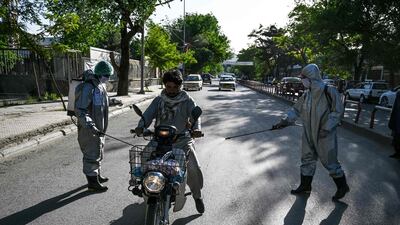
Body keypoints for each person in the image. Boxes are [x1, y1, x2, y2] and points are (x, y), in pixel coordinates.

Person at [272, 64, 350, 201]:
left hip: (324, 134)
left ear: (311, 78)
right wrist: (284, 121)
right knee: (307, 159)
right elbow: (295, 110)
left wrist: (326, 128)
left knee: (330, 162)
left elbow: (338, 111)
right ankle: (305, 186)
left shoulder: (328, 91)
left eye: (303, 78)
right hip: (308, 132)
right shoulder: (307, 94)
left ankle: (342, 186)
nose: (302, 80)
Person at [134, 70, 205, 213]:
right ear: (164, 86)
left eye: (175, 87)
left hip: (182, 140)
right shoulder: (159, 100)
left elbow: (195, 118)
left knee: (193, 169)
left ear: (180, 86)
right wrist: (141, 127)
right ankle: (147, 187)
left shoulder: (187, 100)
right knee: (144, 157)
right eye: (168, 87)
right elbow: (147, 115)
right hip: (159, 140)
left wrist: (196, 129)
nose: (171, 90)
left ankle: (197, 196)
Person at [75, 60, 112, 192]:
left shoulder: (99, 86)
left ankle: (96, 175)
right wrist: (90, 126)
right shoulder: (88, 87)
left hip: (99, 127)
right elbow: (80, 110)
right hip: (89, 129)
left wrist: (113, 102)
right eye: (106, 75)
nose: (108, 78)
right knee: (91, 154)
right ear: (99, 74)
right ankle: (92, 183)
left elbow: (101, 103)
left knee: (98, 150)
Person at [388, 91, 400, 159]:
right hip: (397, 119)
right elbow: (395, 108)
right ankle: (397, 153)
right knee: (396, 139)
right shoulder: (398, 94)